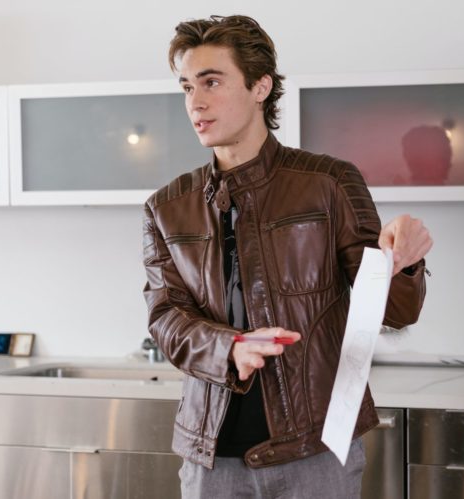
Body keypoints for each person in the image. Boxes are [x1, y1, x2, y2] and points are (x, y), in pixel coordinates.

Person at [142, 14, 432, 498]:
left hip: (316, 450)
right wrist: (230, 348)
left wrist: (404, 262)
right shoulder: (166, 207)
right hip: (211, 459)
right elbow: (165, 318)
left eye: (212, 82)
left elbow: (394, 311)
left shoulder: (330, 182)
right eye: (187, 87)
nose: (195, 101)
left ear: (260, 87)